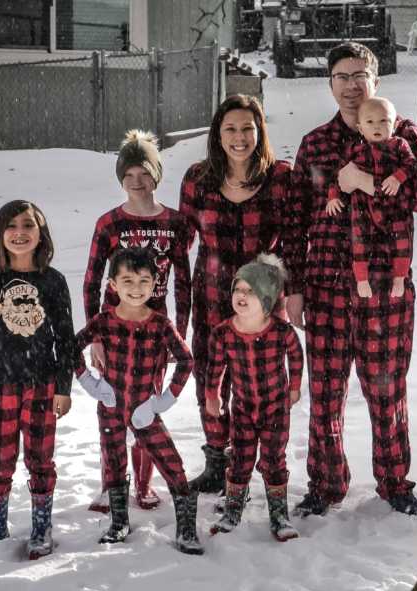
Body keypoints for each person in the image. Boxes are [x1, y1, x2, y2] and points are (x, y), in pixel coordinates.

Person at [284, 42, 417, 516]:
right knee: (326, 390)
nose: (352, 85)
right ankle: (326, 484)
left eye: (360, 75)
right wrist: (293, 287)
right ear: (329, 84)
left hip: (386, 284)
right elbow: (296, 219)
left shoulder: (403, 134)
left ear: (376, 80)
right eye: (342, 76)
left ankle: (395, 483)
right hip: (327, 283)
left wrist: (362, 182)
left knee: (386, 387)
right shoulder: (315, 144)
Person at [179, 94, 294, 494]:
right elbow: (181, 243)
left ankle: (263, 465)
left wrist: (291, 292)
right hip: (211, 292)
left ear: (260, 131)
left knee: (260, 383)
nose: (240, 136)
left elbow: (294, 240)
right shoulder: (198, 178)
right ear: (217, 134)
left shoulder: (280, 177)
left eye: (248, 127)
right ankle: (217, 460)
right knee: (210, 376)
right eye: (230, 128)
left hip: (262, 298)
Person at [82, 129, 192, 512]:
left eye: (143, 172)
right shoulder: (109, 223)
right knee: (111, 409)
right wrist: (94, 334)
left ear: (156, 174)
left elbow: (184, 282)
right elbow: (92, 280)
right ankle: (110, 484)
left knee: (146, 407)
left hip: (154, 331)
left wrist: (182, 329)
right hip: (113, 331)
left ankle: (144, 485)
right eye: (127, 174)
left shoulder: (175, 223)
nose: (136, 182)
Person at [0, 200, 75, 560]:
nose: (20, 233)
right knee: (1, 456)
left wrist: (64, 387)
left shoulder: (53, 281)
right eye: (11, 225)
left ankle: (42, 525)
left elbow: (66, 337)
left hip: (42, 383)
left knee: (41, 458)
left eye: (28, 225)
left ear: (41, 233)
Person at [76, 247, 202, 555]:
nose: (136, 289)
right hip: (111, 406)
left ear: (155, 284)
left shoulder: (160, 324)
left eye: (144, 281)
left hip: (145, 408)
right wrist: (92, 384)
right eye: (127, 281)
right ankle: (119, 522)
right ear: (113, 286)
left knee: (172, 463)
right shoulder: (104, 321)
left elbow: (186, 361)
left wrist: (163, 401)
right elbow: (70, 349)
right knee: (114, 462)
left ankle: (186, 528)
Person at [205, 254, 303, 541]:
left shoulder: (281, 332)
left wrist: (294, 386)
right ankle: (232, 511)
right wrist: (213, 395)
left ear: (268, 299)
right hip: (244, 408)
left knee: (274, 459)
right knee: (240, 458)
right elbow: (215, 367)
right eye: (238, 289)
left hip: (276, 408)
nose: (241, 296)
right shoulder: (224, 333)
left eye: (250, 291)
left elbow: (296, 357)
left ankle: (279, 515)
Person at [326, 96, 416, 299]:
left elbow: (411, 164)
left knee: (402, 241)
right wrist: (333, 196)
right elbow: (337, 175)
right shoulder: (354, 149)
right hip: (363, 208)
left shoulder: (399, 145)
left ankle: (399, 278)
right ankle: (362, 279)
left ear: (394, 125)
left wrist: (397, 177)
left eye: (384, 121)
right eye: (370, 122)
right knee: (359, 242)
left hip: (394, 208)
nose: (377, 126)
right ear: (360, 128)